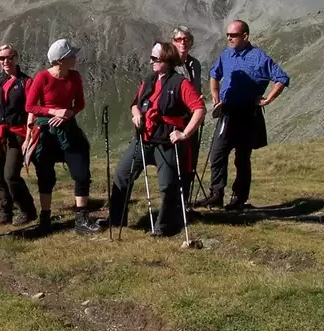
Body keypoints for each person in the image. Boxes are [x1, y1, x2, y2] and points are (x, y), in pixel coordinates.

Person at [109, 42, 205, 235]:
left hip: (167, 142)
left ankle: (165, 225)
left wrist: (184, 133)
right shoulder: (149, 80)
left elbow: (199, 109)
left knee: (168, 185)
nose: (151, 61)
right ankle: (117, 220)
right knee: (122, 174)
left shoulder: (180, 83)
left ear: (167, 61)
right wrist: (135, 114)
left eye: (155, 59)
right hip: (144, 138)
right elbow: (135, 104)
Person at [196, 20, 290, 211]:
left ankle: (238, 198)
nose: (229, 38)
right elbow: (214, 74)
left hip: (248, 113)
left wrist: (267, 100)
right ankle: (216, 194)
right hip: (227, 112)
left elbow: (281, 78)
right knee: (217, 153)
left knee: (242, 158)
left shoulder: (259, 57)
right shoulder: (226, 54)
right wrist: (215, 96)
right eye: (228, 35)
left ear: (245, 36)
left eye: (234, 35)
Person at [25, 39, 101, 235]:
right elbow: (30, 107)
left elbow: (80, 103)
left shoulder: (75, 76)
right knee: (45, 174)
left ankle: (81, 219)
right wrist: (53, 112)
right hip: (47, 131)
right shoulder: (42, 78)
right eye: (71, 56)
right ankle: (45, 219)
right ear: (59, 60)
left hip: (68, 128)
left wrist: (68, 113)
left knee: (81, 171)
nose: (75, 58)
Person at [0, 44, 38, 227]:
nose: (6, 61)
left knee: (10, 174)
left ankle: (27, 210)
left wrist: (28, 136)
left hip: (17, 133)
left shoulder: (26, 82)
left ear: (16, 57)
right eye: (2, 58)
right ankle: (5, 210)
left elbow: (31, 110)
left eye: (9, 57)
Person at [171, 25, 204, 204]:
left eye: (186, 39)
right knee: (175, 161)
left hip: (192, 119)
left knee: (190, 161)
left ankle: (185, 202)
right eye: (179, 39)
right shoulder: (168, 65)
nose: (183, 43)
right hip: (175, 119)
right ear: (173, 42)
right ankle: (174, 203)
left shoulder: (195, 64)